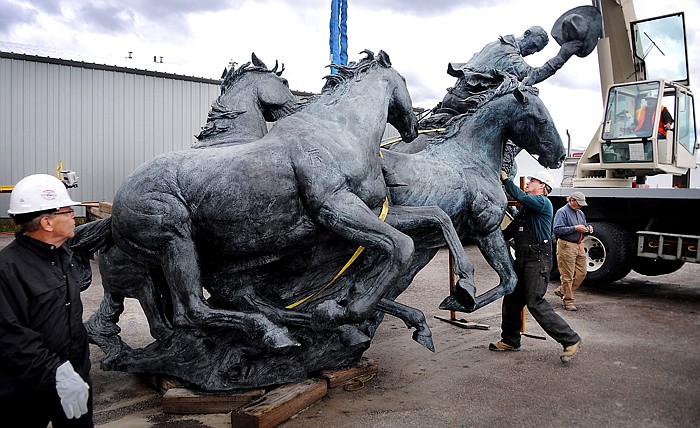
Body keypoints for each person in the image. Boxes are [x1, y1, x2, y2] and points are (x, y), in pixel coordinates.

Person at [0, 174, 93, 427]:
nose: (74, 215)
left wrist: (79, 372)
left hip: (74, 378)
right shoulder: (8, 269)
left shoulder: (63, 254)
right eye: (68, 210)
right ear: (47, 222)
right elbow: (9, 336)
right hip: (26, 389)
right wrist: (56, 372)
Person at [491, 170, 582, 363]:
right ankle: (510, 340)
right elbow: (509, 233)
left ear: (542, 186)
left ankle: (570, 339)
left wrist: (506, 180)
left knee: (535, 301)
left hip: (538, 260)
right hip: (523, 259)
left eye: (532, 181)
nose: (528, 182)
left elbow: (521, 196)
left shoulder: (542, 203)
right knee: (512, 300)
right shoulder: (525, 213)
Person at [552, 191, 591, 311]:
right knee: (567, 275)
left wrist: (588, 228)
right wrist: (575, 228)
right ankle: (568, 301)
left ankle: (562, 290)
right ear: (571, 200)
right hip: (566, 245)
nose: (580, 206)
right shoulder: (562, 212)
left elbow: (583, 225)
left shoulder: (580, 213)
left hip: (579, 245)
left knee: (582, 272)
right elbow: (557, 229)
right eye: (578, 203)